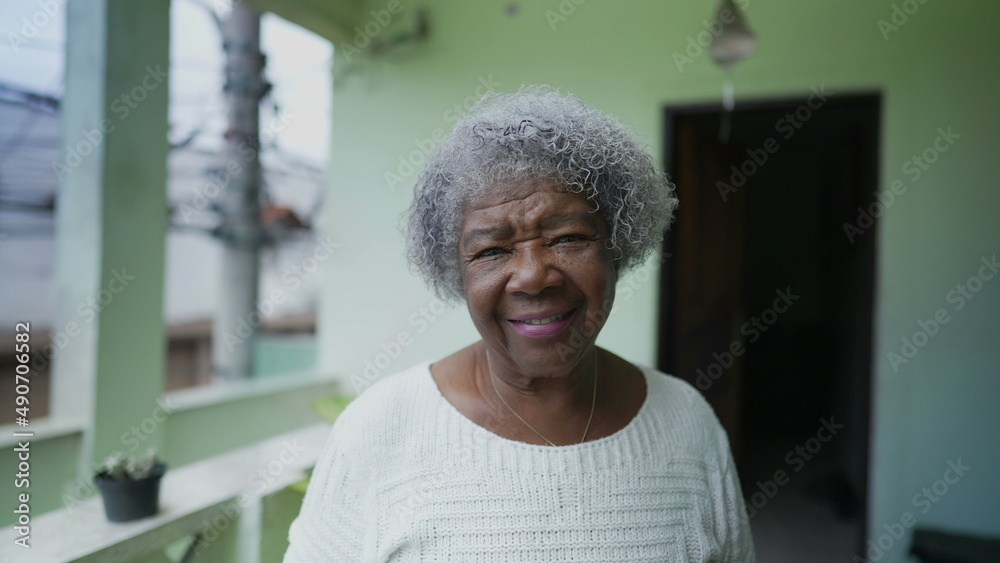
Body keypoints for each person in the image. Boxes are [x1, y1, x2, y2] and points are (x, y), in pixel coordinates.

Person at [284, 86, 755, 561]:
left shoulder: (688, 423)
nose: (532, 277)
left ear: (617, 246)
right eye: (492, 250)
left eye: (568, 237)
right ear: (458, 272)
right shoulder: (378, 428)